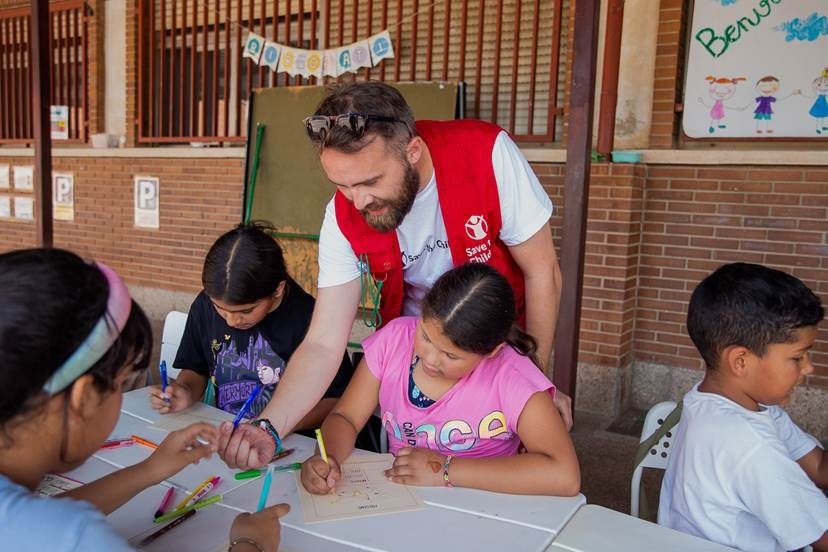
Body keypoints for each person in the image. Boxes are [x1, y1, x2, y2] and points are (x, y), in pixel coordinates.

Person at [219, 81, 570, 470]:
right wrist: (269, 426)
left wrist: (539, 382)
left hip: (492, 351)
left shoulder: (487, 154)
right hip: (417, 356)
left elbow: (542, 272)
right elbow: (322, 343)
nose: (359, 201)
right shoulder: (342, 216)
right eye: (342, 185)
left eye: (370, 182)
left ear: (412, 150)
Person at [0, 248, 288, 552]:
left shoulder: (32, 521)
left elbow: (41, 521)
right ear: (83, 399)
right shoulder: (79, 538)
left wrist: (147, 471)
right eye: (122, 383)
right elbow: (61, 532)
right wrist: (250, 544)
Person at [301, 263, 579, 496]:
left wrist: (445, 469)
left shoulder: (514, 378)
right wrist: (327, 458)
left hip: (485, 508)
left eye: (451, 355)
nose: (431, 359)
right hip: (404, 501)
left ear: (492, 351)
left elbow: (564, 474)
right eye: (425, 337)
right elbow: (347, 417)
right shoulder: (394, 341)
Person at [657, 262, 828, 552]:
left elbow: (820, 468)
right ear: (740, 361)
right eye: (798, 357)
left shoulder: (728, 403)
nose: (809, 368)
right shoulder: (749, 442)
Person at [148, 222, 353, 432]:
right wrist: (185, 392)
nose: (231, 321)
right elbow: (195, 368)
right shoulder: (204, 306)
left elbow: (337, 399)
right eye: (220, 308)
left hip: (293, 444)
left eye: (246, 311)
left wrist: (274, 427)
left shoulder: (311, 319)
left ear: (278, 289)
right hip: (228, 435)